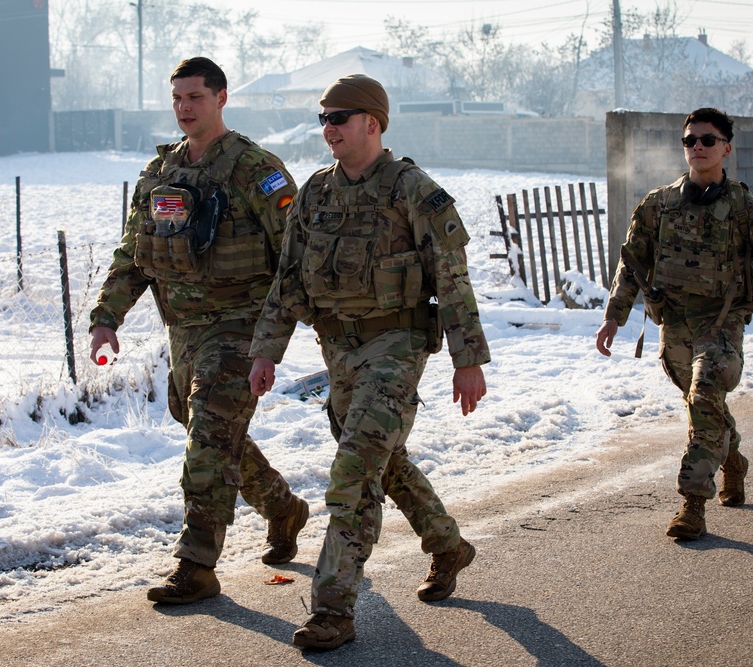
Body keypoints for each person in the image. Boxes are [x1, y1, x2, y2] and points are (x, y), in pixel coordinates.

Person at [248, 74, 490, 650]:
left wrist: (468, 360)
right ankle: (447, 544)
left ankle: (333, 609)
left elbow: (452, 280)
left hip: (397, 346)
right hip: (337, 349)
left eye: (339, 118)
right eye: (323, 119)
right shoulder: (314, 193)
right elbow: (287, 279)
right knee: (383, 459)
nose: (327, 129)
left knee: (355, 470)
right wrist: (266, 350)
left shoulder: (413, 190)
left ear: (372, 124)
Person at [89, 57, 309, 605]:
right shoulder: (161, 174)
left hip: (241, 325)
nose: (185, 109)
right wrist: (105, 318)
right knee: (203, 425)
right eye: (178, 99)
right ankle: (283, 507)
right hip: (184, 327)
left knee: (209, 435)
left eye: (196, 98)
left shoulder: (256, 169)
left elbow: (299, 253)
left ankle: (197, 565)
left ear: (222, 98)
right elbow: (133, 251)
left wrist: (283, 334)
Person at [595, 107, 753, 541]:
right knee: (700, 402)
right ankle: (733, 459)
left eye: (708, 140)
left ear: (726, 147)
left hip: (723, 322)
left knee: (705, 394)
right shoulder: (658, 205)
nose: (698, 148)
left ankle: (692, 504)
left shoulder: (750, 212)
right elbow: (632, 264)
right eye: (690, 141)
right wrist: (614, 316)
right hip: (675, 321)